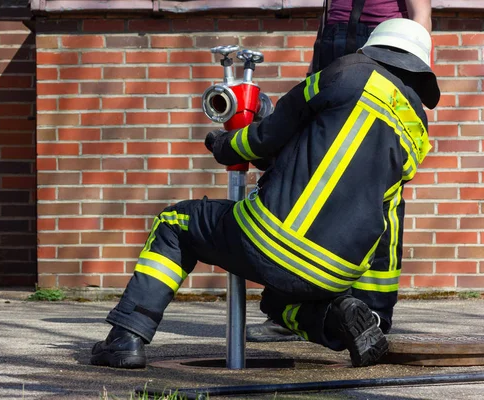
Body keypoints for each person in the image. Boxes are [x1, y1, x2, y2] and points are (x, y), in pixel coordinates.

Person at [90, 18, 440, 369]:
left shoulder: (347, 71)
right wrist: (376, 314)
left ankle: (126, 337)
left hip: (267, 238)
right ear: (419, 70)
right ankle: (340, 316)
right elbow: (389, 229)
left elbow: (271, 134)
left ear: (374, 47)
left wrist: (226, 147)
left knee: (176, 222)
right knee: (279, 304)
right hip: (335, 271)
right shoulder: (417, 134)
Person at [247, 0, 433, 343]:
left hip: (386, 47)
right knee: (306, 173)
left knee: (377, 188)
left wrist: (417, 81)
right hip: (333, 46)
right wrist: (315, 69)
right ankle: (291, 308)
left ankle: (373, 312)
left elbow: (421, 13)